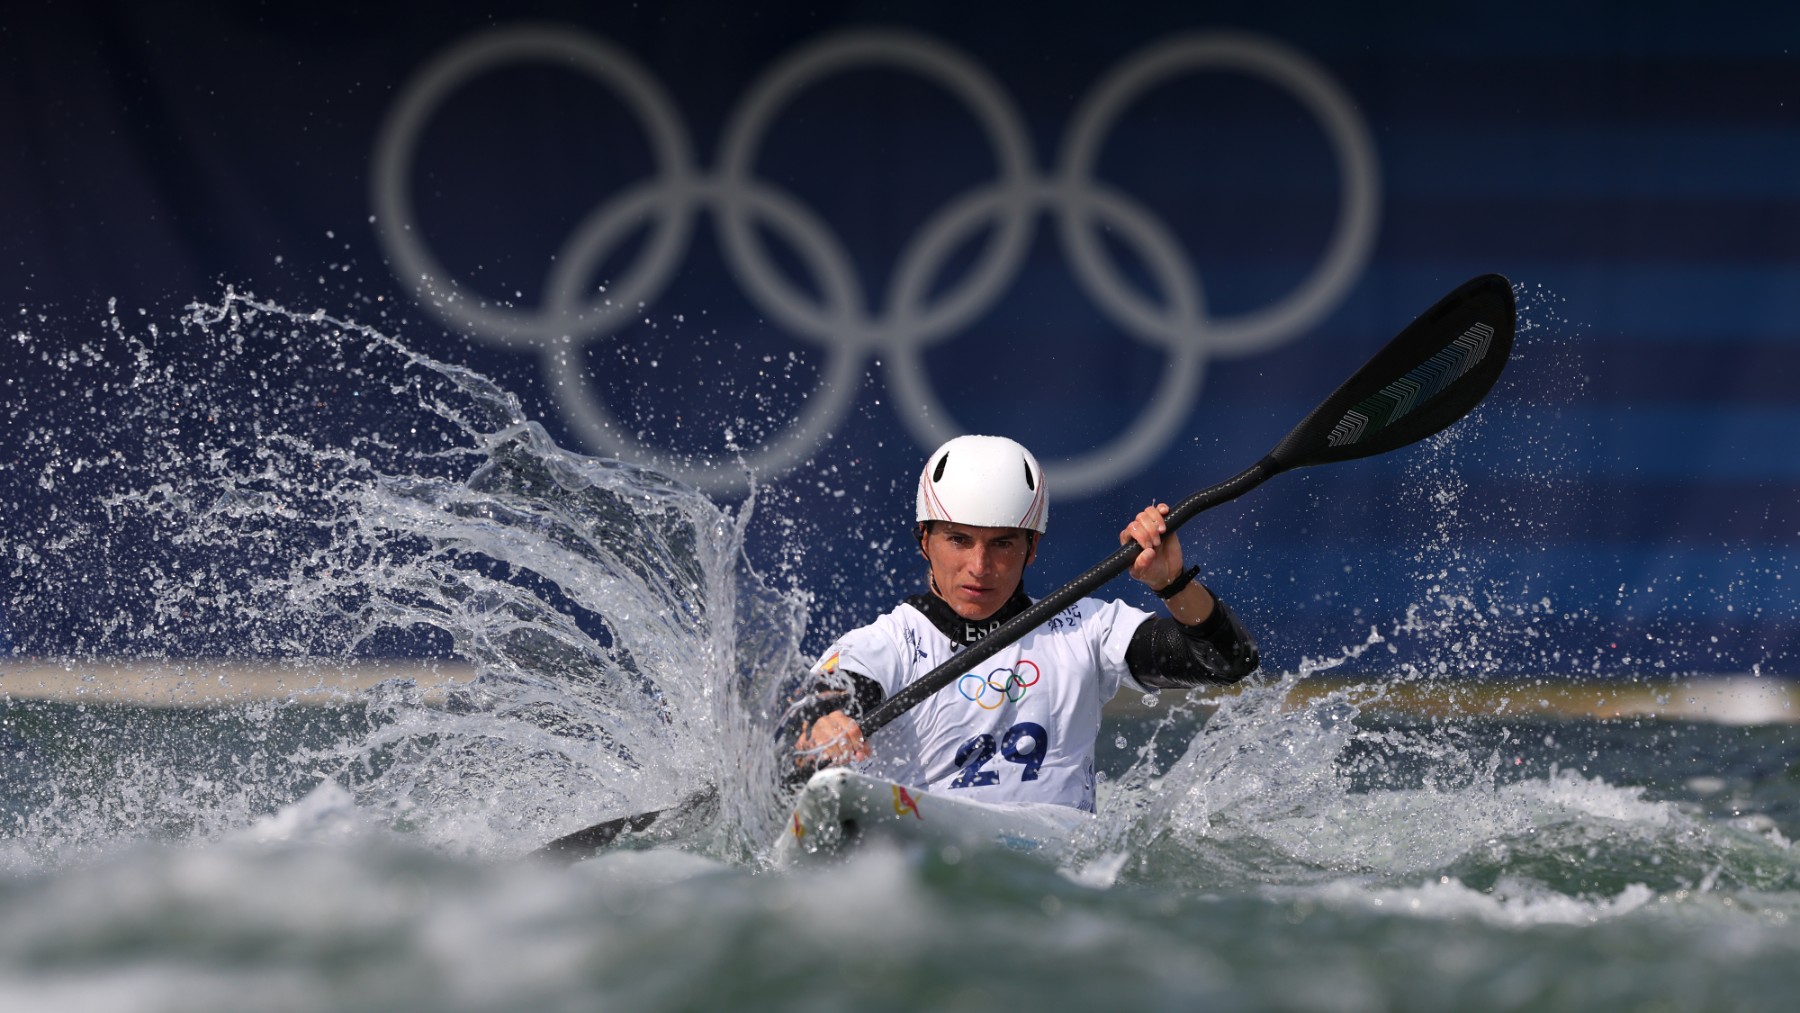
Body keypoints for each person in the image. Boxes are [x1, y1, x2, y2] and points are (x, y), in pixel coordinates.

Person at [779, 434, 1260, 813]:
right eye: (959, 540)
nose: (979, 566)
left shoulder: (1086, 630)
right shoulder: (881, 645)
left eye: (1003, 544)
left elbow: (1227, 662)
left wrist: (1172, 584)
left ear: (1032, 547)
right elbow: (807, 717)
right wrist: (822, 726)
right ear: (924, 539)